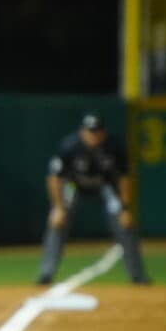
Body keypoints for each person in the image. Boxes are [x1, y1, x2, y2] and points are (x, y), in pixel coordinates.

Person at [36, 114, 151, 285]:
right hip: (74, 186)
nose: (93, 136)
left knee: (125, 224)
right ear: (82, 132)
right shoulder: (70, 146)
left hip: (105, 187)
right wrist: (58, 207)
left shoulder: (114, 147)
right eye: (90, 132)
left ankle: (138, 276)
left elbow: (125, 178)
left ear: (103, 133)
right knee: (57, 222)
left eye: (97, 132)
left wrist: (125, 209)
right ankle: (46, 273)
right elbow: (54, 178)